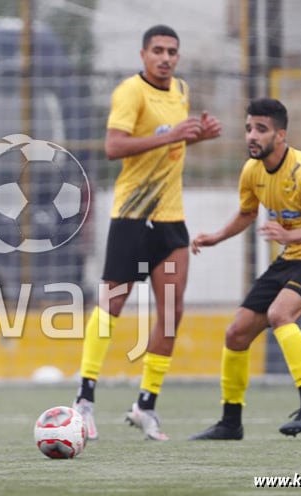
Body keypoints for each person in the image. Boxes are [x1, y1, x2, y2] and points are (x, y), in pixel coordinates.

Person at [73, 24, 222, 441]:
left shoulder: (181, 91)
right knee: (112, 306)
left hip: (171, 220)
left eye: (172, 51)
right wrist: (174, 133)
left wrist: (196, 137)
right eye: (158, 50)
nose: (166, 58)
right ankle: (84, 399)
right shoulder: (130, 92)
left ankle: (145, 405)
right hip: (133, 216)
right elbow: (114, 147)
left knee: (171, 314)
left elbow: (169, 146)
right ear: (143, 55)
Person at [189, 98, 301, 440]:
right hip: (292, 257)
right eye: (248, 128)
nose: (252, 136)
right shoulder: (252, 170)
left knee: (280, 314)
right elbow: (247, 212)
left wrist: (293, 234)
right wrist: (217, 236)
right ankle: (230, 423)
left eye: (260, 129)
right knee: (237, 333)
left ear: (281, 135)